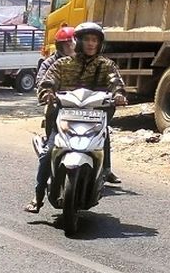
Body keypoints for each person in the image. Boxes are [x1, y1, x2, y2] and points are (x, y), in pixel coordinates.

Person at [25, 22, 127, 213]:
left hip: (95, 119)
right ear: (78, 42)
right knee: (48, 153)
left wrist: (119, 94)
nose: (90, 44)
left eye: (94, 40)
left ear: (99, 44)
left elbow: (116, 82)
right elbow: (48, 81)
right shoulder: (63, 64)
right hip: (63, 118)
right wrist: (47, 92)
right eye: (87, 39)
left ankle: (104, 172)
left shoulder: (106, 65)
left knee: (103, 144)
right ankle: (38, 196)